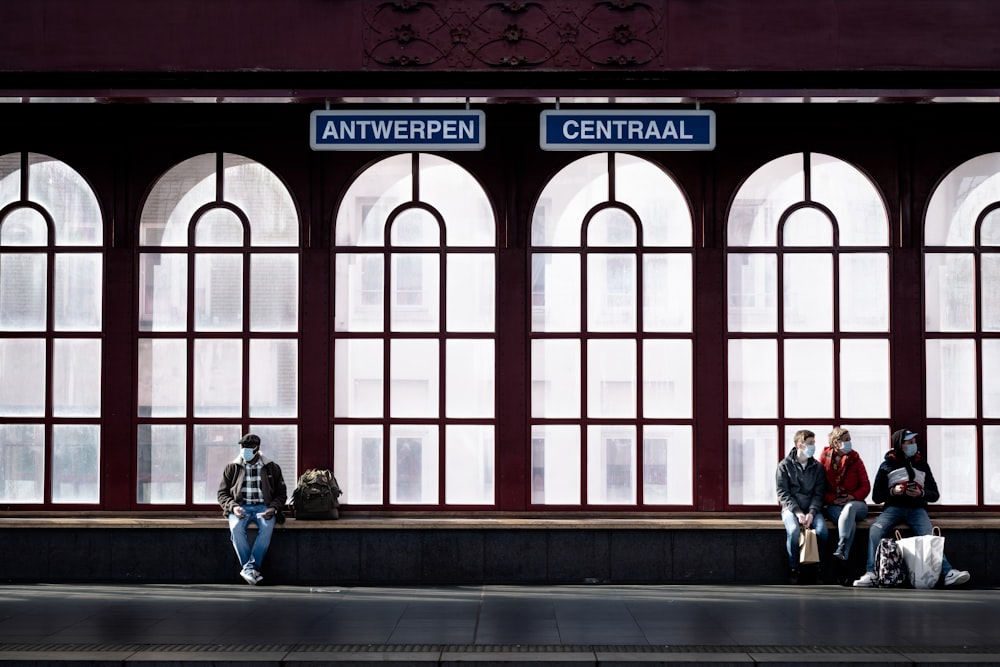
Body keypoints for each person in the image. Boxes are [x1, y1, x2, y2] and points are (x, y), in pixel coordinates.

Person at [853, 429, 970, 588]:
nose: (913, 445)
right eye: (909, 442)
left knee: (929, 536)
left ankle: (948, 572)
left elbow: (934, 494)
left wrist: (921, 493)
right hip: (893, 508)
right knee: (875, 529)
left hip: (917, 509)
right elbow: (876, 496)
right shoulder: (886, 465)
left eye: (914, 442)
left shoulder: (922, 463)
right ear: (899, 444)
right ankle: (871, 573)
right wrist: (893, 492)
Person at [217, 433, 287, 585]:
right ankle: (251, 570)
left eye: (249, 448)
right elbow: (222, 493)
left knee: (267, 528)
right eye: (243, 447)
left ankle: (249, 568)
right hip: (240, 507)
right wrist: (233, 507)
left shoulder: (272, 468)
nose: (245, 450)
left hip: (264, 507)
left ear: (257, 449)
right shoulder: (232, 467)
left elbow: (282, 494)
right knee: (235, 528)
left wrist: (273, 508)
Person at [776, 429, 829, 584]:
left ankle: (818, 568)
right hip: (791, 509)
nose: (813, 446)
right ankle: (794, 568)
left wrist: (811, 513)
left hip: (812, 509)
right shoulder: (784, 466)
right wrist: (798, 512)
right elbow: (783, 493)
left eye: (814, 443)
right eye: (810, 443)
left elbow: (819, 494)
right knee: (792, 532)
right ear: (800, 444)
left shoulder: (817, 467)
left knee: (822, 531)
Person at [820, 427, 871, 583]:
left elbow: (866, 486)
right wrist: (832, 499)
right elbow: (819, 488)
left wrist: (852, 497)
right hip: (834, 505)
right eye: (846, 440)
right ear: (836, 443)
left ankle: (841, 547)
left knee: (849, 510)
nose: (849, 443)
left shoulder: (855, 458)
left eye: (849, 439)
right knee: (850, 524)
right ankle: (843, 562)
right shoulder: (824, 460)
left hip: (856, 504)